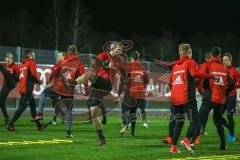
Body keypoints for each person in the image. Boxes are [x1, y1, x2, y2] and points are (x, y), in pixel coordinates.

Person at [75, 41, 125, 146]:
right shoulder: (103, 55)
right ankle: (102, 138)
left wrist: (119, 94)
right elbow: (96, 63)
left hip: (106, 84)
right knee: (94, 114)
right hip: (97, 86)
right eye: (118, 49)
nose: (120, 52)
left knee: (89, 73)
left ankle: (70, 84)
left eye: (121, 50)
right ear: (112, 48)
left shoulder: (119, 60)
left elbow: (118, 71)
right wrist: (106, 64)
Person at [169, 43, 216, 154]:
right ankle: (186, 140)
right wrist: (211, 76)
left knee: (179, 123)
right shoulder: (190, 62)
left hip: (175, 99)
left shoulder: (175, 66)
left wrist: (175, 92)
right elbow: (195, 73)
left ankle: (173, 148)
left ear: (180, 53)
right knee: (195, 122)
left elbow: (170, 82)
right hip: (187, 98)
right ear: (189, 52)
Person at [34, 45, 86, 138]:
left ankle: (40, 114)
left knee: (43, 94)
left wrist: (50, 81)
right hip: (68, 90)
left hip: (57, 88)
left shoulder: (62, 62)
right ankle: (68, 133)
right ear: (76, 52)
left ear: (68, 52)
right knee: (69, 111)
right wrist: (87, 88)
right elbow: (83, 77)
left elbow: (54, 73)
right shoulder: (79, 63)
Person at [190, 47, 235, 150]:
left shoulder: (207, 65)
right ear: (219, 56)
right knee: (218, 122)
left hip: (208, 97)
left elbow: (198, 77)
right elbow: (232, 84)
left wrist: (196, 85)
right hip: (220, 99)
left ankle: (191, 142)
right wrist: (226, 93)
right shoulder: (224, 68)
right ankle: (223, 145)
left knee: (199, 120)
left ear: (211, 55)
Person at [6, 51, 45, 131]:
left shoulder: (22, 65)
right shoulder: (32, 62)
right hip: (28, 89)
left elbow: (17, 78)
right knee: (22, 107)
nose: (34, 56)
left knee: (33, 106)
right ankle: (10, 124)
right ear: (30, 56)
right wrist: (39, 81)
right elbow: (34, 74)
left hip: (23, 88)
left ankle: (39, 125)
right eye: (33, 55)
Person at [119, 50, 149, 137]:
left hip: (131, 92)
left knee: (124, 109)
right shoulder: (143, 68)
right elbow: (146, 81)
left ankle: (125, 124)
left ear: (131, 58)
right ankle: (132, 133)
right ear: (138, 58)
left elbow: (123, 78)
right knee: (133, 112)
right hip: (140, 94)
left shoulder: (128, 66)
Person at [33, 52, 66, 125]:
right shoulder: (57, 65)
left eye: (60, 56)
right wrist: (48, 82)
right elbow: (52, 76)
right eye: (58, 56)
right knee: (55, 105)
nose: (59, 57)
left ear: (64, 57)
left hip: (59, 88)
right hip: (56, 87)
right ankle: (61, 117)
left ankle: (40, 114)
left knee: (43, 94)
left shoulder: (63, 64)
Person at [221, 53, 240, 142]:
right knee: (218, 116)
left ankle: (231, 135)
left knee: (229, 116)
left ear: (230, 61)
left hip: (231, 96)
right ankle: (230, 128)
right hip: (222, 97)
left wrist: (233, 86)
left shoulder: (234, 71)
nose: (224, 62)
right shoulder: (221, 69)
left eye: (226, 60)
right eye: (223, 60)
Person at [0, 53, 19, 126]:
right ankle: (6, 118)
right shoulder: (5, 65)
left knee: (5, 71)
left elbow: (19, 77)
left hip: (12, 83)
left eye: (8, 61)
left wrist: (14, 79)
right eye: (6, 61)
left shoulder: (15, 67)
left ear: (12, 60)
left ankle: (7, 118)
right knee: (1, 101)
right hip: (6, 85)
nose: (7, 63)